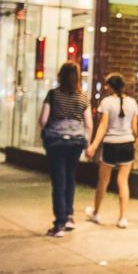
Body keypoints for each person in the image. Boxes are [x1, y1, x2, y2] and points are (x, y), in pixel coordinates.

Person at [39, 61, 93, 237]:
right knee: (70, 179)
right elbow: (89, 125)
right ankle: (69, 216)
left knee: (59, 181)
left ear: (60, 75)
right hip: (76, 143)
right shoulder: (82, 97)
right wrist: (88, 144)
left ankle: (59, 224)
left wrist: (46, 132)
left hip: (56, 143)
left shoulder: (53, 95)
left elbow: (43, 119)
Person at [85, 74, 138, 228]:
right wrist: (136, 138)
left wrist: (94, 145)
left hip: (110, 144)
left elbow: (103, 126)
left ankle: (96, 213)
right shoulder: (133, 102)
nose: (105, 87)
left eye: (106, 84)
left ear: (110, 85)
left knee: (103, 181)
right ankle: (122, 218)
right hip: (127, 143)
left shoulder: (107, 102)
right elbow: (135, 128)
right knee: (123, 181)